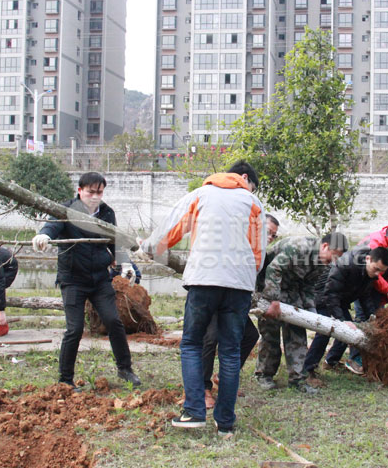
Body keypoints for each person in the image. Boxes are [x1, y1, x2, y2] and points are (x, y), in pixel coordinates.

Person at [138, 161, 267, 436]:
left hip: (203, 279)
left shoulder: (200, 195)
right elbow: (259, 253)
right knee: (231, 351)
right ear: (244, 179)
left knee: (193, 344)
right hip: (239, 284)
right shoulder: (253, 202)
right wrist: (244, 276)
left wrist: (148, 248)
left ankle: (195, 412)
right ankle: (225, 422)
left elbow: (169, 231)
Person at [32, 172, 141, 389]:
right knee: (74, 329)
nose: (95, 196)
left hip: (100, 278)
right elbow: (53, 225)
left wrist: (125, 263)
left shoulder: (107, 213)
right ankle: (65, 380)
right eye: (90, 192)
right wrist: (44, 235)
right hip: (73, 278)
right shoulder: (66, 211)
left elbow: (114, 240)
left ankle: (125, 369)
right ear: (80, 190)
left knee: (113, 321)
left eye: (99, 192)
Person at [202, 214, 280, 409]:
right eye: (268, 232)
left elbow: (261, 283)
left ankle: (225, 378)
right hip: (212, 294)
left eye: (274, 236)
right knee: (210, 338)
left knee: (249, 335)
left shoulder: (262, 255)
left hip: (233, 303)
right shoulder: (235, 244)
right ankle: (203, 388)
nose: (270, 238)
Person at [254, 232, 348, 394]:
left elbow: (309, 286)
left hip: (292, 290)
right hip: (269, 286)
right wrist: (273, 300)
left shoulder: (322, 262)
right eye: (334, 256)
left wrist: (311, 313)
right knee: (271, 333)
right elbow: (274, 269)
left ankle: (297, 380)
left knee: (297, 334)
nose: (334, 261)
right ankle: (264, 375)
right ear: (325, 246)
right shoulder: (299, 247)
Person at [325, 223, 388, 370]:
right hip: (363, 282)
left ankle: (335, 359)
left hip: (376, 285)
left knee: (374, 319)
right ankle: (355, 359)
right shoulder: (376, 242)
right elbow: (374, 272)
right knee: (361, 320)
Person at [304, 246, 388, 378]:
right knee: (324, 332)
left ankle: (330, 362)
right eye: (376, 269)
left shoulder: (370, 272)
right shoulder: (346, 264)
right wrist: (341, 318)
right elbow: (330, 293)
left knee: (348, 331)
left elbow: (365, 295)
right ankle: (307, 370)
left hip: (340, 299)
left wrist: (372, 315)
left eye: (381, 272)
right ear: (368, 259)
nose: (377, 274)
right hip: (323, 296)